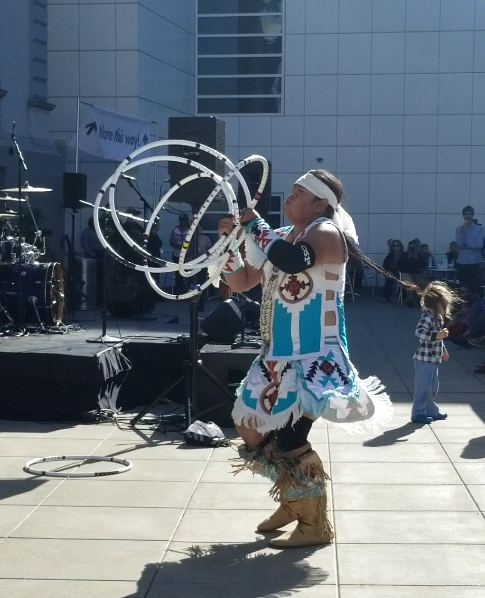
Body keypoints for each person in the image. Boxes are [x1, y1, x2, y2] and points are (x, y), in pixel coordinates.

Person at [218, 169, 395, 549]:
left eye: (299, 192)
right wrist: (227, 246)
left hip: (315, 354)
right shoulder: (281, 236)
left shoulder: (327, 234)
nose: (290, 196)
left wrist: (253, 224)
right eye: (293, 190)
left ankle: (314, 523)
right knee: (249, 426)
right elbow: (242, 282)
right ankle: (294, 499)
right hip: (277, 355)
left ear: (320, 203)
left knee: (290, 439)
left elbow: (294, 261)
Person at [411, 281, 459, 423]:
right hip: (424, 359)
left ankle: (431, 410)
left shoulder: (437, 317)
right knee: (423, 388)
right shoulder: (428, 316)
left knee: (432, 388)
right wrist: (436, 336)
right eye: (443, 303)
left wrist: (443, 348)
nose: (445, 307)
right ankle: (418, 412)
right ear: (435, 302)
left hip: (433, 359)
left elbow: (438, 339)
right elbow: (419, 332)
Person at [456, 206, 484, 296]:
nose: (467, 216)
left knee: (475, 285)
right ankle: (464, 306)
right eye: (465, 214)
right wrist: (464, 231)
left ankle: (477, 306)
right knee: (463, 285)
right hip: (462, 261)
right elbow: (459, 243)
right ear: (463, 216)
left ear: (472, 215)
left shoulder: (479, 229)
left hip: (475, 261)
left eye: (469, 214)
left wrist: (467, 246)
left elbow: (479, 244)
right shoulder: (459, 229)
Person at [398, 240, 427, 307]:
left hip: (418, 274)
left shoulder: (421, 256)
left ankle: (419, 299)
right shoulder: (404, 255)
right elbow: (400, 265)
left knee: (423, 283)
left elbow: (424, 265)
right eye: (410, 248)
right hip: (407, 273)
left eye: (414, 248)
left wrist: (417, 258)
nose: (412, 250)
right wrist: (407, 259)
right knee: (408, 283)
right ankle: (410, 299)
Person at [169, 214, 190, 293]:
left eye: (184, 220)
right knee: (178, 273)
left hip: (188, 254)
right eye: (181, 220)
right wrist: (178, 246)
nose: (182, 222)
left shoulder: (190, 230)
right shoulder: (175, 230)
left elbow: (193, 242)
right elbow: (171, 241)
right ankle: (179, 290)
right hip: (177, 254)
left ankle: (188, 289)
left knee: (187, 271)